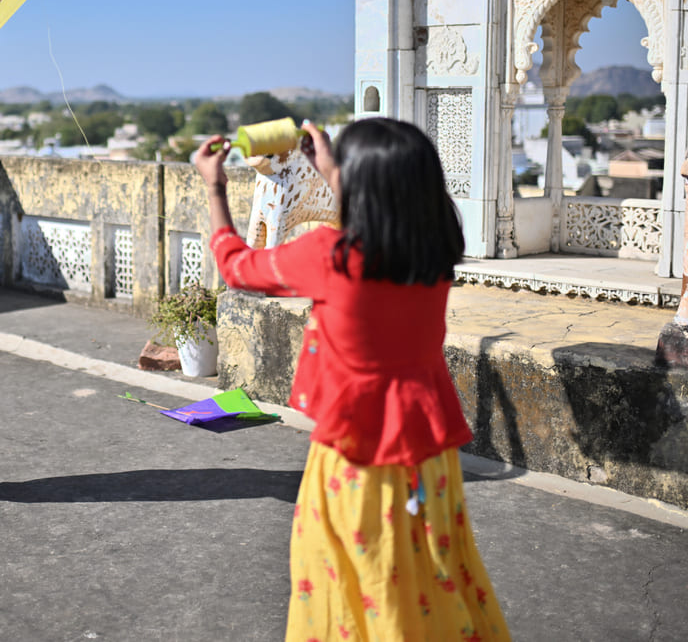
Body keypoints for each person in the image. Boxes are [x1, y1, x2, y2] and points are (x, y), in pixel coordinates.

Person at [194, 118, 510, 641]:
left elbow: (238, 266)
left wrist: (215, 186)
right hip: (429, 455)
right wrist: (331, 165)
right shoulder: (432, 253)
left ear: (357, 184)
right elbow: (381, 208)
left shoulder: (331, 256)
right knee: (435, 571)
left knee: (357, 579)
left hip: (357, 454)